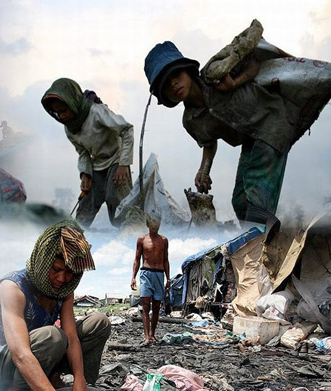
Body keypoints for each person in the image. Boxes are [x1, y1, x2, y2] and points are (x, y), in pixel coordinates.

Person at [143, 40, 329, 231]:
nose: (173, 83)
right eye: (165, 84)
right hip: (250, 138)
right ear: (164, 95)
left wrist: (235, 82)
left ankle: (263, 239)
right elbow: (209, 141)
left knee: (257, 198)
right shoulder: (191, 121)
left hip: (271, 122)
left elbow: (254, 62)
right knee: (240, 201)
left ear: (187, 70)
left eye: (176, 75)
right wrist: (204, 170)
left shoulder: (215, 74)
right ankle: (260, 240)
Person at [0, 220, 111, 391]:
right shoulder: (12, 289)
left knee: (98, 322)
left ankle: (65, 384)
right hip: (3, 361)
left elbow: (72, 338)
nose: (61, 278)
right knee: (52, 336)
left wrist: (79, 382)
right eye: (56, 269)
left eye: (69, 273)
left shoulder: (64, 291)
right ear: (42, 261)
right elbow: (20, 354)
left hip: (40, 350)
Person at [41, 78, 134, 228]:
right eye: (58, 113)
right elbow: (83, 152)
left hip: (116, 160)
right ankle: (74, 237)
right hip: (97, 164)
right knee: (86, 202)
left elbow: (126, 129)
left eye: (64, 111)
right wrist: (85, 174)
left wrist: (124, 164)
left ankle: (127, 235)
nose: (62, 116)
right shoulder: (70, 128)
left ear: (73, 102)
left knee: (115, 198)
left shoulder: (97, 112)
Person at [131, 215, 170, 346]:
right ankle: (146, 336)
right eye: (153, 222)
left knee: (157, 306)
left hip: (159, 274)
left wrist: (168, 278)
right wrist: (133, 277)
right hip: (146, 273)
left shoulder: (164, 240)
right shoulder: (142, 239)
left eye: (158, 222)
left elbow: (165, 260)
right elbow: (137, 259)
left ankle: (152, 334)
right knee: (146, 305)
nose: (156, 225)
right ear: (148, 224)